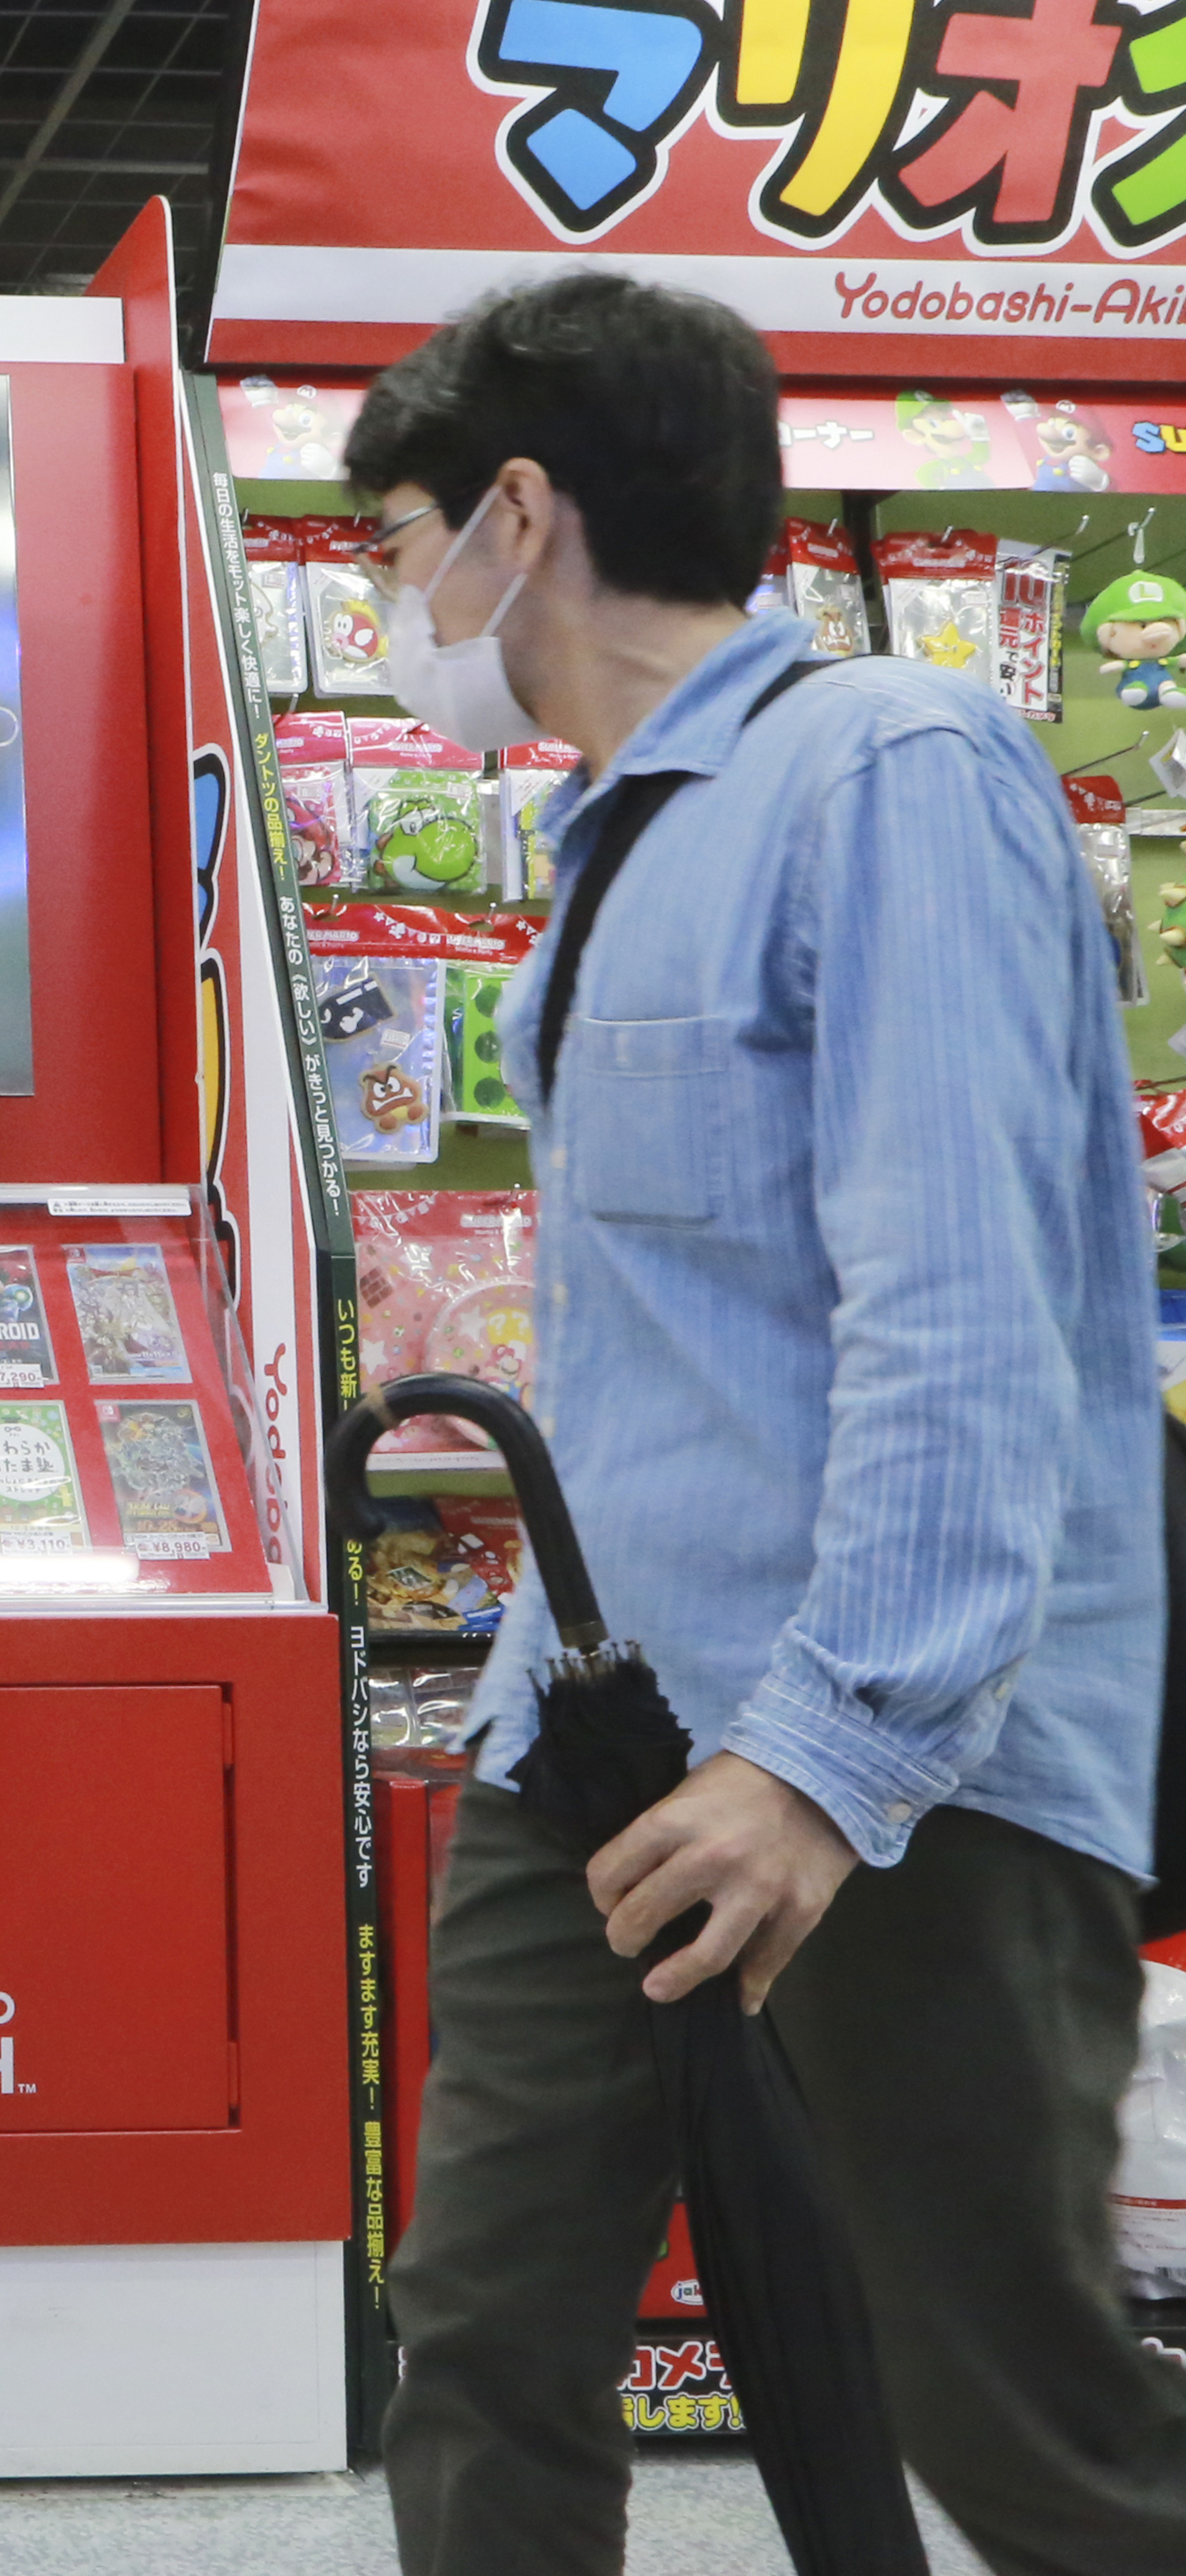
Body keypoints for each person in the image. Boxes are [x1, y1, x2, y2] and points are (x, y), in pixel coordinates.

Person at [356, 272, 1186, 2572]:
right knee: (493, 2336)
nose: (389, 597)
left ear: (520, 514)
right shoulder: (615, 836)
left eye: (400, 532)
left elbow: (965, 1317)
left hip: (904, 1762)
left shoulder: (893, 780)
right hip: (601, 1734)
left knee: (1009, 2413)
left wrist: (831, 1753)